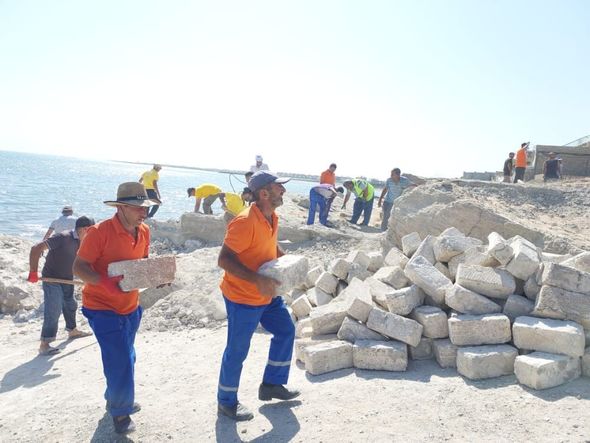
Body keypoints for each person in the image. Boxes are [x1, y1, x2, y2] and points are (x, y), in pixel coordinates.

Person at [72, 182, 158, 434]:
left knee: (127, 356)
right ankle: (121, 414)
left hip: (131, 306)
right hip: (101, 307)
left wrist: (156, 275)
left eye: (145, 208)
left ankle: (116, 395)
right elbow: (79, 267)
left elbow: (140, 265)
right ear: (121, 207)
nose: (143, 212)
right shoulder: (99, 232)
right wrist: (103, 283)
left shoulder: (143, 232)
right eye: (137, 208)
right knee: (120, 358)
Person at [217, 171, 299, 421]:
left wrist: (288, 263)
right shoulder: (243, 222)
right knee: (238, 349)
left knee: (286, 330)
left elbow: (269, 246)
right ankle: (226, 401)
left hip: (267, 293)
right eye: (278, 188)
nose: (283, 191)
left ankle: (272, 385)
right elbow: (224, 260)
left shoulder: (271, 216)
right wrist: (258, 280)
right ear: (264, 193)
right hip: (243, 297)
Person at [28, 216, 95, 355]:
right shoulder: (63, 237)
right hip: (51, 278)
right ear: (85, 229)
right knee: (54, 308)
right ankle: (45, 344)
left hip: (67, 279)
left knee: (70, 304)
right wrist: (33, 272)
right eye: (92, 231)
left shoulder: (84, 241)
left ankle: (72, 331)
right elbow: (36, 248)